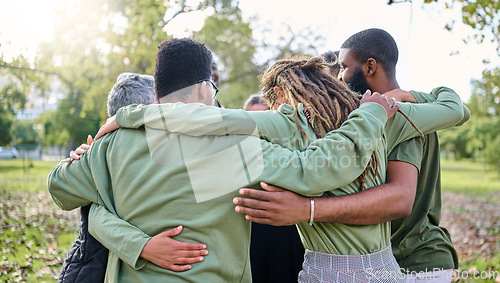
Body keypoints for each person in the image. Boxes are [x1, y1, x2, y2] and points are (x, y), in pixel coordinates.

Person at [91, 50, 465, 281]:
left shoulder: (287, 122)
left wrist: (129, 117)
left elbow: (206, 120)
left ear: (282, 95)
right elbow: (454, 108)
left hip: (325, 271)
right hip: (383, 270)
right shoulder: (385, 114)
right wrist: (405, 96)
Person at [233, 29, 464, 282]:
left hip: (415, 258)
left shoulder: (393, 114)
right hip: (383, 257)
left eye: (343, 68)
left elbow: (399, 200)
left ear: (370, 67)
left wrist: (307, 209)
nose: (340, 79)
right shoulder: (349, 120)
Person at [58, 73, 207, 282]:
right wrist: (143, 247)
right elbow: (94, 214)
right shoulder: (105, 155)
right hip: (93, 269)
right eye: (157, 112)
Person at [243, 93, 302, 282]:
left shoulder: (292, 154)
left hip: (290, 235)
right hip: (252, 236)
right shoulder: (237, 158)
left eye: (266, 118)